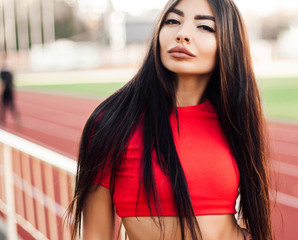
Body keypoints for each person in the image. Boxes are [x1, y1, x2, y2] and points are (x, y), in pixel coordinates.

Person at [66, 0, 274, 239]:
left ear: (228, 43)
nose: (182, 34)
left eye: (205, 27)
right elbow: (95, 236)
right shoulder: (112, 122)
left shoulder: (234, 120)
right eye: (173, 21)